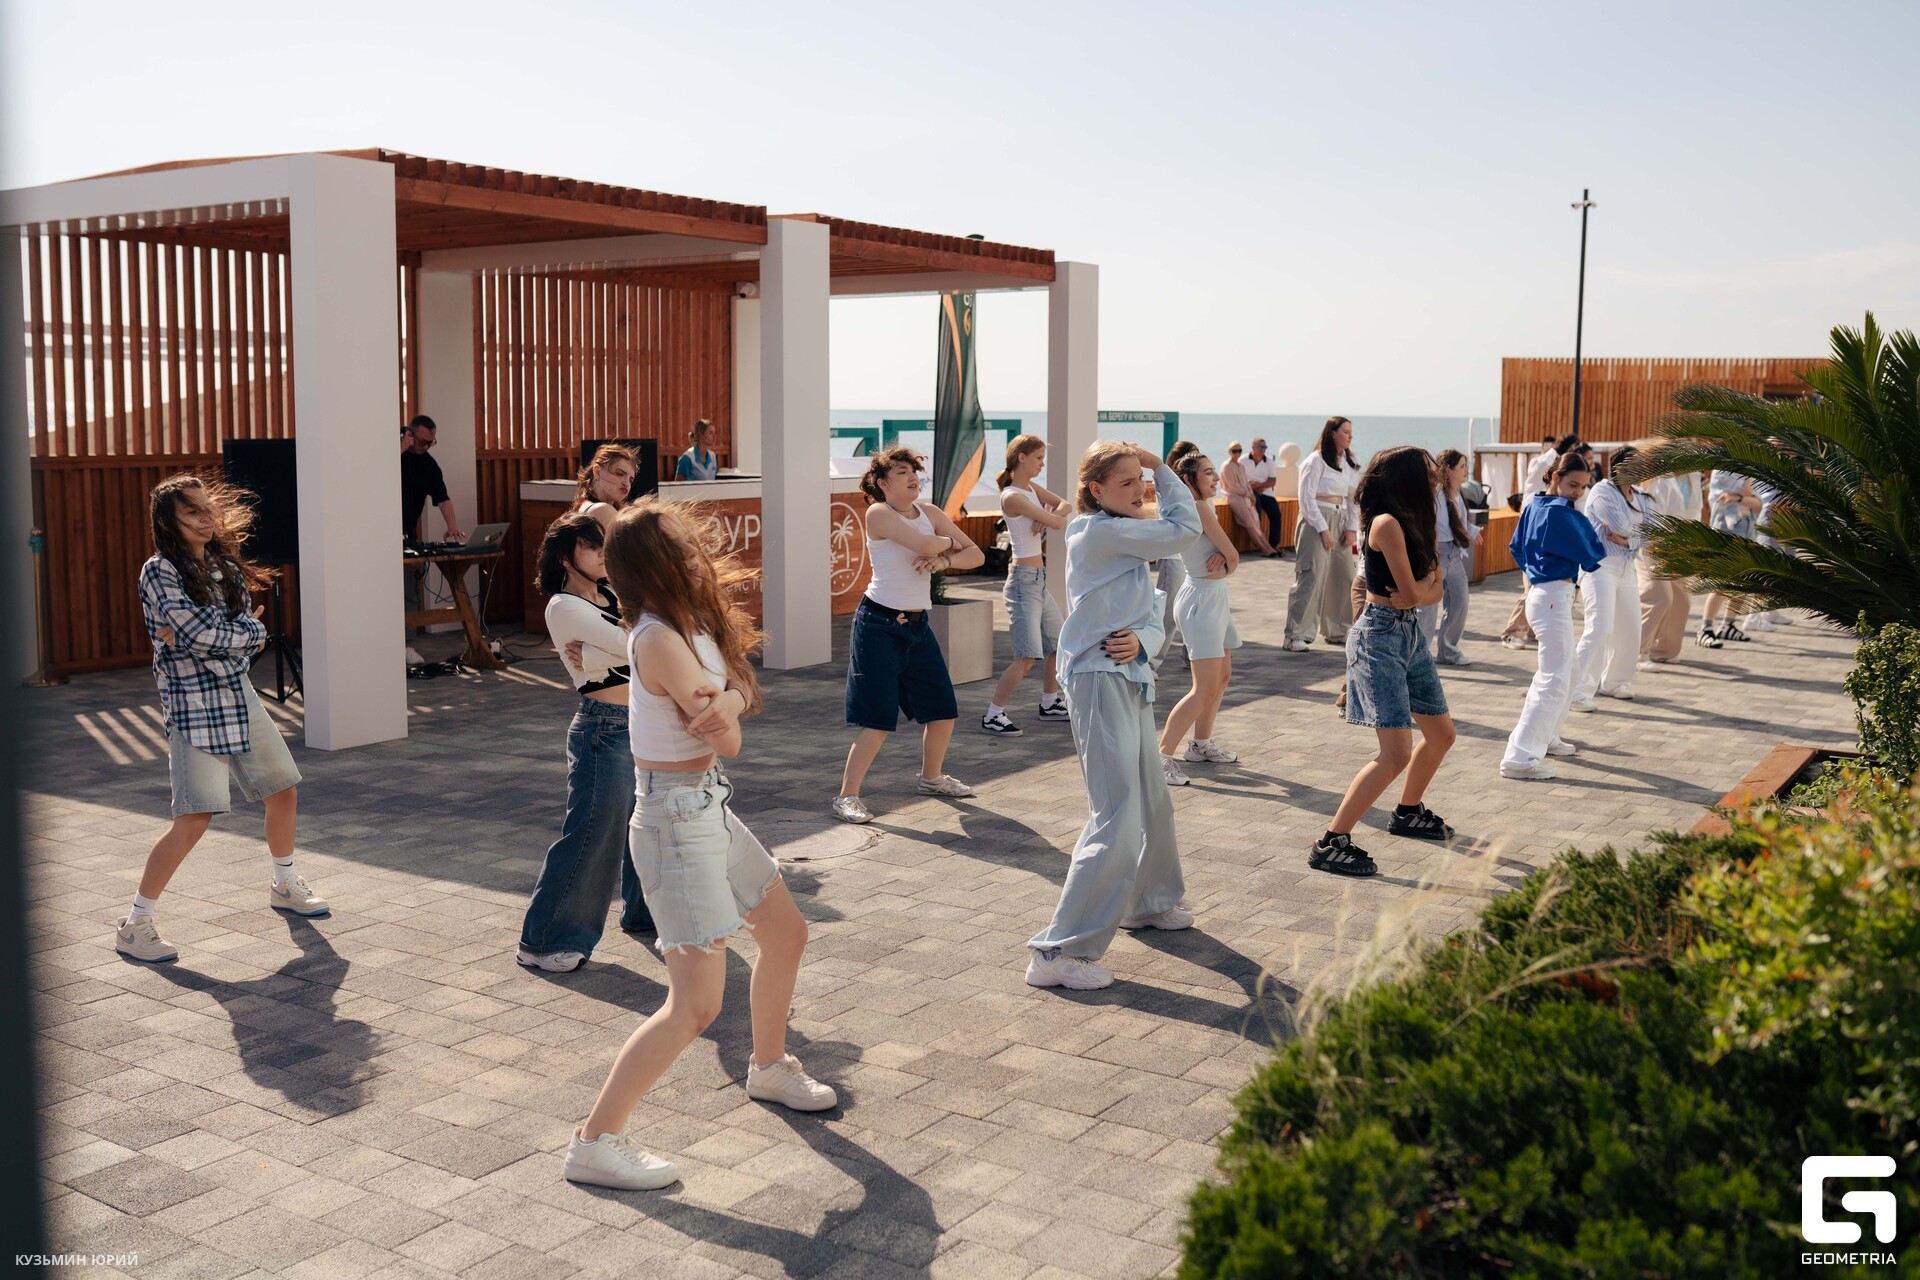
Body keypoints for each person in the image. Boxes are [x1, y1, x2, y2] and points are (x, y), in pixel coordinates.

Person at [564, 498, 835, 1192]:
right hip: (674, 820)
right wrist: (731, 704)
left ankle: (768, 1067)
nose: (693, 557)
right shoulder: (657, 638)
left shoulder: (692, 623)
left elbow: (739, 693)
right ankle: (594, 1143)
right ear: (645, 567)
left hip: (706, 805)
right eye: (676, 550)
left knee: (787, 933)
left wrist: (731, 698)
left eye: (690, 544)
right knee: (695, 1006)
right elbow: (731, 739)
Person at [116, 476, 324, 963]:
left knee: (283, 791)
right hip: (192, 704)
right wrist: (232, 632)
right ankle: (135, 923)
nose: (205, 519)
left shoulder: (224, 566)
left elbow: (247, 638)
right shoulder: (159, 570)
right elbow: (204, 633)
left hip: (238, 693)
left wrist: (228, 634)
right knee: (194, 817)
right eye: (193, 512)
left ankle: (285, 883)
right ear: (169, 521)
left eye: (207, 509)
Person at [1026, 443, 1201, 991]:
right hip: (1098, 679)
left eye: (1140, 479)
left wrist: (1142, 640)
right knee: (1117, 811)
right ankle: (1058, 952)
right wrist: (1163, 467)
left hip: (1128, 675)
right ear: (1096, 490)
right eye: (1127, 481)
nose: (1139, 489)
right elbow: (1186, 529)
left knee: (1151, 798)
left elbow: (1152, 609)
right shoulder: (1100, 532)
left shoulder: (1120, 533)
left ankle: (1146, 903)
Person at [516, 514, 655, 973]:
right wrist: (623, 647)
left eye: (603, 545)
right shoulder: (562, 606)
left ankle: (645, 914)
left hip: (644, 724)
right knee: (595, 834)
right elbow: (640, 643)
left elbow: (658, 635)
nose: (602, 553)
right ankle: (543, 942)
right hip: (604, 729)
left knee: (649, 826)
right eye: (591, 546)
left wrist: (595, 653)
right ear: (564, 558)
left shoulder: (614, 593)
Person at [1309, 448, 1457, 877]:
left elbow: (1433, 592)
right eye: (1428, 474)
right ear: (1406, 479)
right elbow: (1417, 592)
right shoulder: (1386, 523)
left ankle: (1407, 812)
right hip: (1379, 637)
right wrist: (1424, 585)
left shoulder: (1419, 520)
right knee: (1395, 754)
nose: (1435, 479)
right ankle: (1331, 842)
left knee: (1442, 734)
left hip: (1408, 634)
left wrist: (1422, 587)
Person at [832, 447, 984, 824]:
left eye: (914, 471)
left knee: (943, 710)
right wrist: (948, 545)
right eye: (902, 472)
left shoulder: (930, 513)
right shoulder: (878, 513)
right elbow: (927, 545)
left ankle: (931, 779)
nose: (913, 477)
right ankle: (847, 797)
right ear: (883, 483)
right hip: (878, 626)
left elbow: (977, 555)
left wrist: (946, 559)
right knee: (878, 719)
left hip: (918, 626)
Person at [1499, 453, 1605, 780]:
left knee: (1566, 672)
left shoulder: (1534, 504)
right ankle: (1520, 757)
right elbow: (1593, 552)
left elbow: (1516, 547)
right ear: (1555, 477)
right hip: (1553, 598)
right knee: (1553, 678)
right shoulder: (1560, 511)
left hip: (1544, 594)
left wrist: (1535, 569)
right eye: (1573, 484)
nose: (1578, 492)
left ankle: (1545, 738)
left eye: (1583, 487)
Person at [1157, 453, 1242, 786]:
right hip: (1201, 601)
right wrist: (1227, 559)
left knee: (1222, 677)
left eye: (1214, 471)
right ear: (1188, 480)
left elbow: (1229, 560)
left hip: (1215, 596)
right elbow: (1233, 558)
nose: (1215, 477)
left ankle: (1200, 745)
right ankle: (1161, 756)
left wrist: (1226, 560)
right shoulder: (1198, 508)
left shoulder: (1203, 507)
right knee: (1204, 687)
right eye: (1208, 473)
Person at [982, 435, 1070, 736]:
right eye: (1038, 458)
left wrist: (1047, 516)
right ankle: (993, 715)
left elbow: (1065, 505)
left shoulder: (1031, 489)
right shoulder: (1012, 496)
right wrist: (1050, 518)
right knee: (1027, 656)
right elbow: (1058, 521)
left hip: (1038, 581)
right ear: (1021, 457)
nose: (1042, 464)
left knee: (1058, 645)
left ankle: (1050, 703)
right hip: (1022, 582)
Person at [1568, 446, 1653, 713]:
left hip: (1626, 566)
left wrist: (1628, 541)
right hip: (1600, 566)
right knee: (1600, 628)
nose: (1642, 469)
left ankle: (1615, 682)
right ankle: (1575, 691)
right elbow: (1620, 527)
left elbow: (1653, 531)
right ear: (1620, 468)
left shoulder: (1640, 496)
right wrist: (1632, 536)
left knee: (1631, 628)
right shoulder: (1602, 491)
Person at [1283, 416, 1360, 652]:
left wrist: (1352, 528)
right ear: (1332, 433)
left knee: (1345, 576)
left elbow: (1353, 498)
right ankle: (1296, 635)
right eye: (1345, 431)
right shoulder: (1315, 461)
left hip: (1341, 520)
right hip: (1316, 520)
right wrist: (1323, 529)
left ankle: (1337, 630)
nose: (1350, 436)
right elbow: (1306, 499)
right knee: (1311, 576)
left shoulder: (1347, 463)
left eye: (1351, 432)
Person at [1501, 432, 1581, 649]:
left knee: (1536, 588)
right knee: (1531, 587)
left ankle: (1532, 632)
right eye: (1573, 449)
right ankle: (1511, 633)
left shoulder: (1561, 492)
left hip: (1545, 535)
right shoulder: (1543, 464)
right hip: (1533, 532)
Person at [1417, 448, 1479, 666]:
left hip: (1454, 553)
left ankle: (1448, 651)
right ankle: (1420, 655)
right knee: (1428, 605)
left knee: (1460, 602)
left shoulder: (1458, 494)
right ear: (1449, 469)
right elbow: (1430, 524)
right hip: (1438, 552)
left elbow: (1458, 522)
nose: (1466, 471)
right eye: (1462, 466)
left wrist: (1472, 531)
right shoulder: (1436, 494)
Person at [1635, 463, 1701, 665]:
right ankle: (1638, 651)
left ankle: (1664, 650)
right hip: (1655, 546)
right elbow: (1653, 518)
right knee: (1659, 598)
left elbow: (1695, 513)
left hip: (1682, 547)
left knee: (1683, 600)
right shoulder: (1661, 479)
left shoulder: (1694, 477)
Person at [1151, 440, 1200, 671]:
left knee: (1192, 610)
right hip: (1173, 557)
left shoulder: (1194, 490)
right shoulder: (1169, 488)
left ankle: (1193, 656)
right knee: (1167, 613)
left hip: (1192, 559)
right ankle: (1150, 662)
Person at [1700, 470, 1762, 645]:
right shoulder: (1722, 471)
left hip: (1747, 529)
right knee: (1722, 582)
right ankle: (1705, 629)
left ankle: (1728, 625)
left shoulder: (1745, 469)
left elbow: (1758, 504)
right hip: (1726, 530)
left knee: (1742, 583)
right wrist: (1745, 493)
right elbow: (1746, 493)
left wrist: (1740, 499)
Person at [400, 414, 464, 541]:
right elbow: (378, 470)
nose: (426, 447)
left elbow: (443, 500)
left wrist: (452, 526)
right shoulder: (391, 445)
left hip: (408, 530)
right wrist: (401, 448)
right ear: (410, 435)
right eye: (422, 442)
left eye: (430, 443)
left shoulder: (428, 465)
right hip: (381, 525)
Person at [1219, 441, 1279, 556]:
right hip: (1233, 497)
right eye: (1234, 451)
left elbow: (1245, 484)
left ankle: (1270, 548)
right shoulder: (1227, 466)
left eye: (1239, 451)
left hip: (1244, 496)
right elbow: (1233, 486)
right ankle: (1264, 549)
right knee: (1250, 523)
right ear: (1229, 452)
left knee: (1256, 522)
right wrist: (1248, 494)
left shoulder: (1241, 466)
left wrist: (1251, 494)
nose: (1237, 453)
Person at [573, 443, 641, 534]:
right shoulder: (602, 509)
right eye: (619, 474)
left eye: (630, 480)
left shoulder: (586, 505)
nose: (626, 484)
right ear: (597, 472)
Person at [1243, 438, 1284, 558]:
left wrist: (1260, 485)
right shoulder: (1243, 460)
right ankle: (1261, 545)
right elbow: (1240, 478)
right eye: (1260, 447)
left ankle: (1274, 545)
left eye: (1264, 447)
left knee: (1276, 513)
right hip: (1250, 492)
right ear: (1253, 447)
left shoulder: (1269, 462)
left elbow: (1273, 481)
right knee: (1256, 513)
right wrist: (1252, 487)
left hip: (1265, 492)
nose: (1262, 450)